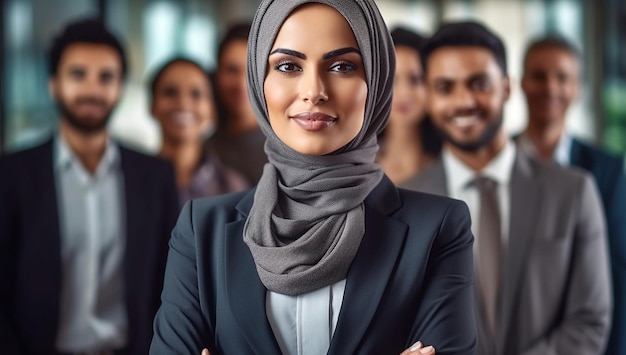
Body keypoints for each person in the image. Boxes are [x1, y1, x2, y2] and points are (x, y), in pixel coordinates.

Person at [150, 1, 476, 354]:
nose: (314, 90)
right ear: (259, 82)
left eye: (341, 66)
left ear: (378, 81)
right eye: (288, 66)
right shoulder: (201, 230)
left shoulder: (439, 229)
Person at [402, 21, 613, 354]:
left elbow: (590, 320)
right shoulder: (405, 203)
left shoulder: (573, 191)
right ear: (427, 97)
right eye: (445, 87)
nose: (464, 101)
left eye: (479, 84)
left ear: (507, 88)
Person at [0, 18, 179, 354]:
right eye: (78, 74)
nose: (92, 89)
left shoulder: (155, 177)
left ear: (121, 87)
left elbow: (168, 284)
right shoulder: (10, 176)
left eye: (106, 77)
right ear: (53, 84)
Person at [518, 36, 626, 355]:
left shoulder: (607, 170)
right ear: (521, 82)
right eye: (539, 76)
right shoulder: (498, 163)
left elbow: (617, 270)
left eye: (562, 77)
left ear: (577, 87)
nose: (550, 88)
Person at [149, 57, 249, 206]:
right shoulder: (131, 181)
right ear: (153, 105)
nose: (183, 103)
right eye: (170, 92)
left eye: (196, 94)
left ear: (211, 110)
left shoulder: (234, 189)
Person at [377, 27, 441, 185]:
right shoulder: (354, 168)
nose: (404, 93)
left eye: (416, 79)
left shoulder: (450, 166)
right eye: (392, 79)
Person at [207, 22, 268, 185]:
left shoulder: (286, 149)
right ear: (217, 75)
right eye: (232, 70)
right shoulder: (206, 149)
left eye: (251, 71)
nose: (242, 84)